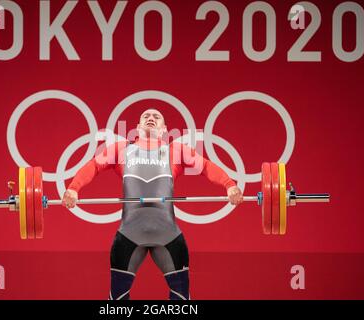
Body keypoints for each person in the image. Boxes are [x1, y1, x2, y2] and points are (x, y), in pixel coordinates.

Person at [62, 109, 243, 300]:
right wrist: (73, 189)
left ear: (164, 129)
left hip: (168, 235)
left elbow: (206, 166)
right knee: (117, 301)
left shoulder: (176, 150)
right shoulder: (121, 149)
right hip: (129, 234)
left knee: (181, 300)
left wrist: (229, 185)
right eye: (145, 116)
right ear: (138, 127)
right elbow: (94, 166)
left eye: (156, 117)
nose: (150, 118)